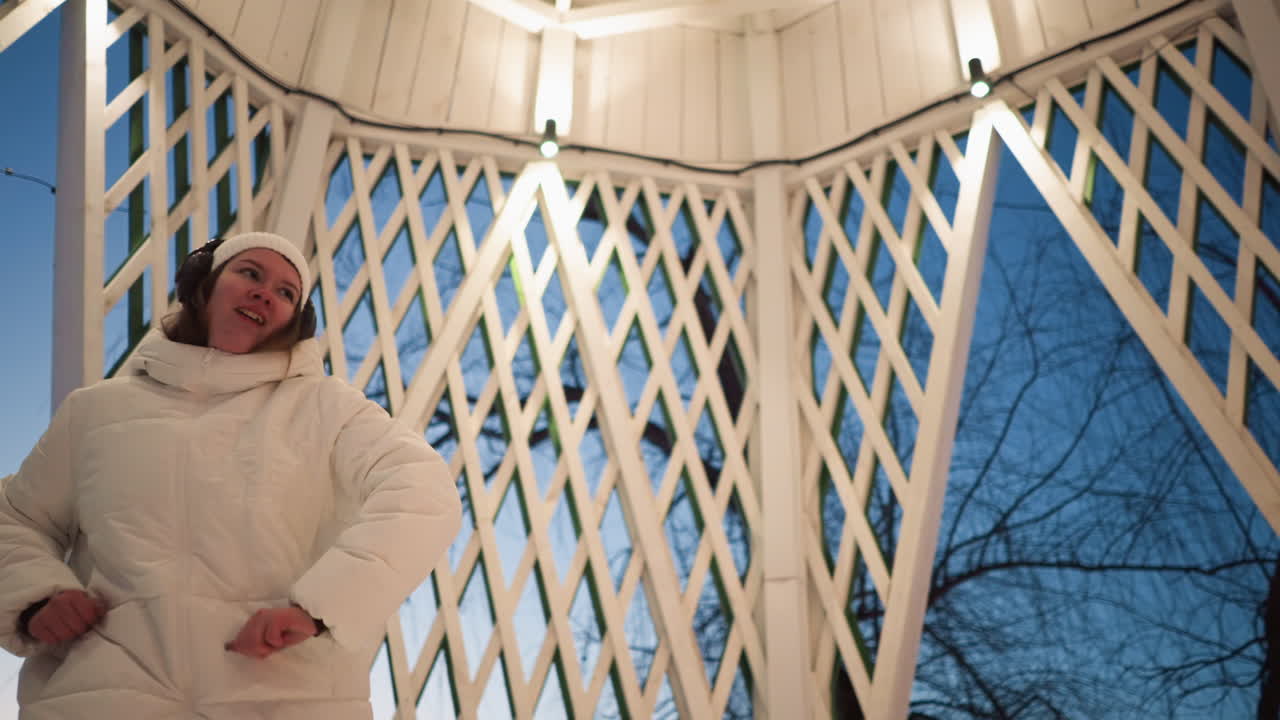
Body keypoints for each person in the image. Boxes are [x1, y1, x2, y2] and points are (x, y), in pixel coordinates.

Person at [0, 232, 462, 719]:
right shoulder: (93, 413)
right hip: (102, 698)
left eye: (287, 292)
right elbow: (16, 519)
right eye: (250, 273)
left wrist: (320, 607)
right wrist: (37, 597)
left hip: (285, 698)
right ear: (203, 288)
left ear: (295, 323)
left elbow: (422, 492)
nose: (266, 292)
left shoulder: (329, 409)